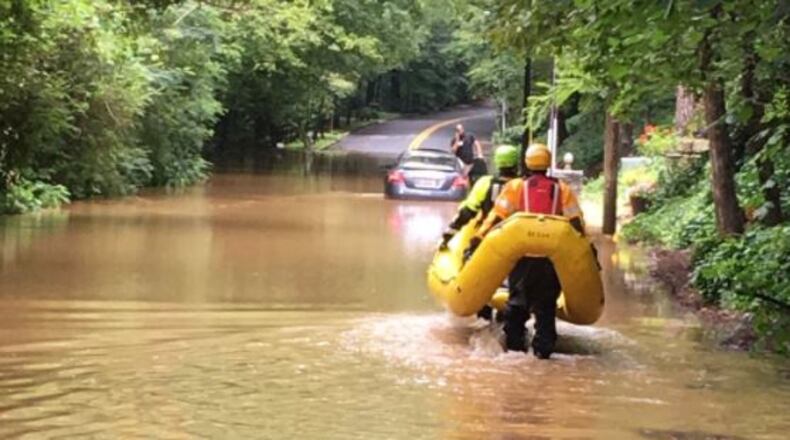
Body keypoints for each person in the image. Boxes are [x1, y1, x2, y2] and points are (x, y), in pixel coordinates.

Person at [469, 143, 585, 359]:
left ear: (527, 163)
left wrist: (478, 238)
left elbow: (496, 217)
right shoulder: (562, 189)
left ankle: (515, 351)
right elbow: (576, 222)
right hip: (551, 259)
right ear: (548, 163)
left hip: (522, 258)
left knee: (517, 305)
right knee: (546, 307)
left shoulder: (515, 187)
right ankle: (543, 352)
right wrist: (586, 250)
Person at [439, 145, 520, 250]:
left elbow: (466, 213)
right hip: (515, 240)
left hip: (486, 237)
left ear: (497, 162)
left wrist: (446, 238)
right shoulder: (523, 185)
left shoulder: (484, 182)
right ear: (516, 163)